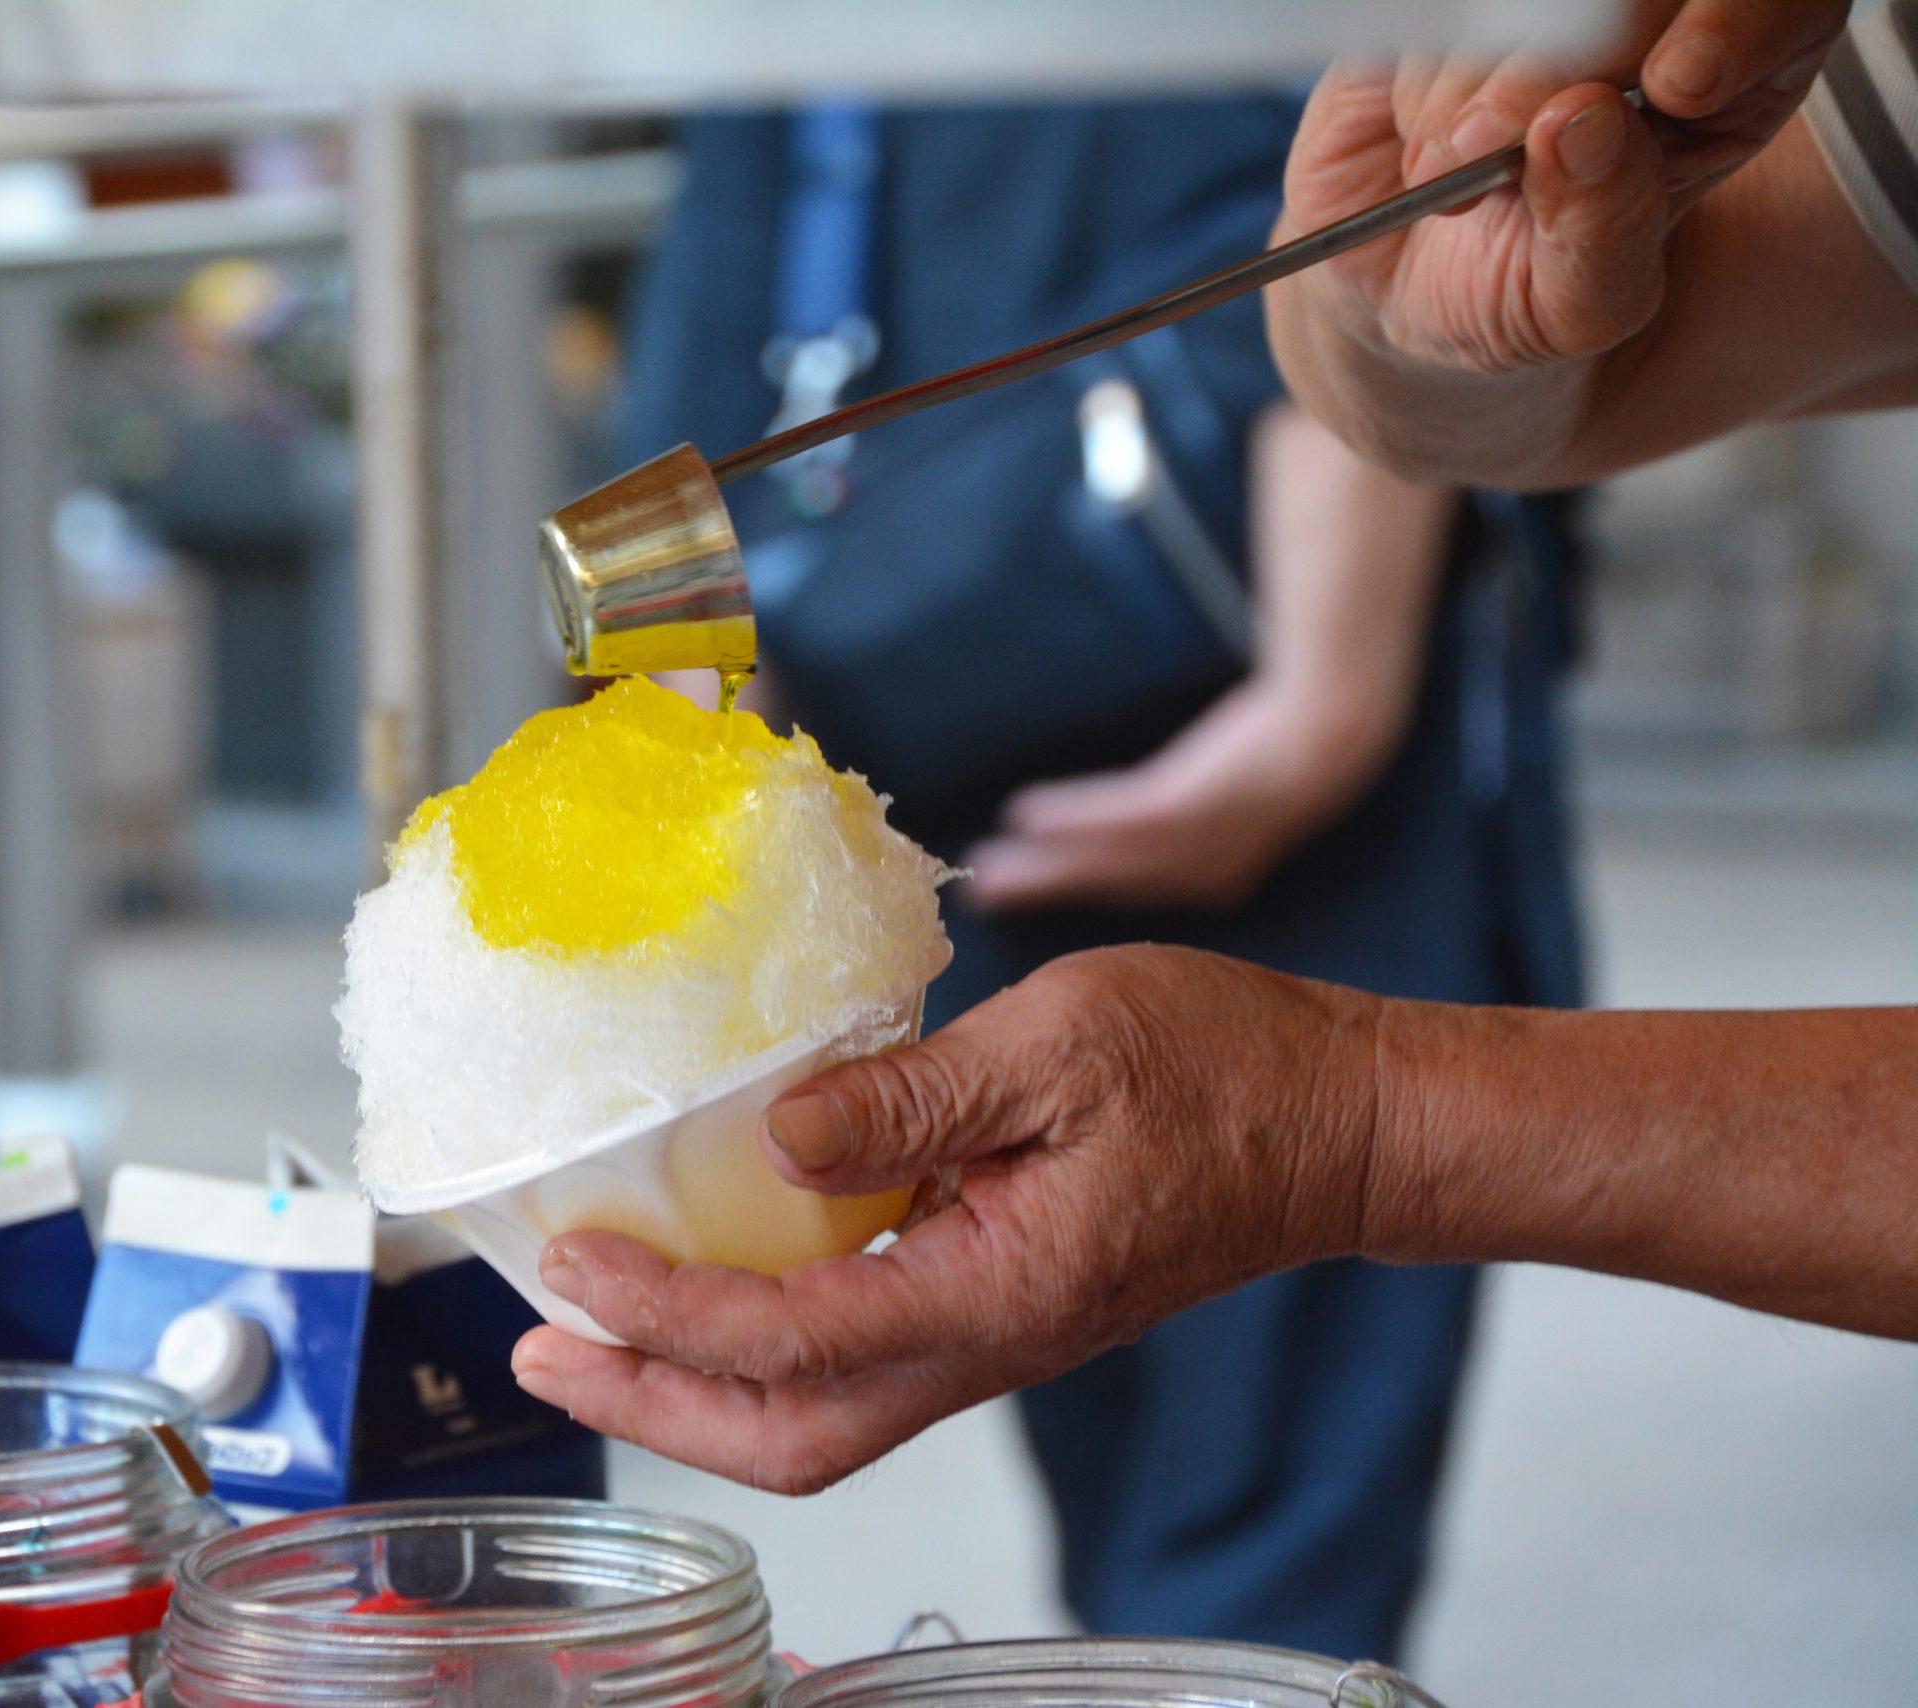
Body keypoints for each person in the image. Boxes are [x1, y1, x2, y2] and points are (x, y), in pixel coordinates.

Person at [510, 0, 1918, 1500]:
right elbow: (1461, 308)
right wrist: (1404, 321)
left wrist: (1357, 1099)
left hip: (1291, 815)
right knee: (1137, 1464)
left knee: (1255, 1509)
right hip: (964, 771)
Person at [614, 96, 1581, 1658]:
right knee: (1195, 1518)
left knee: (1239, 1520)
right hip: (1001, 773)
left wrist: (1321, 715)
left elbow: (1393, 183)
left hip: (1192, 773)